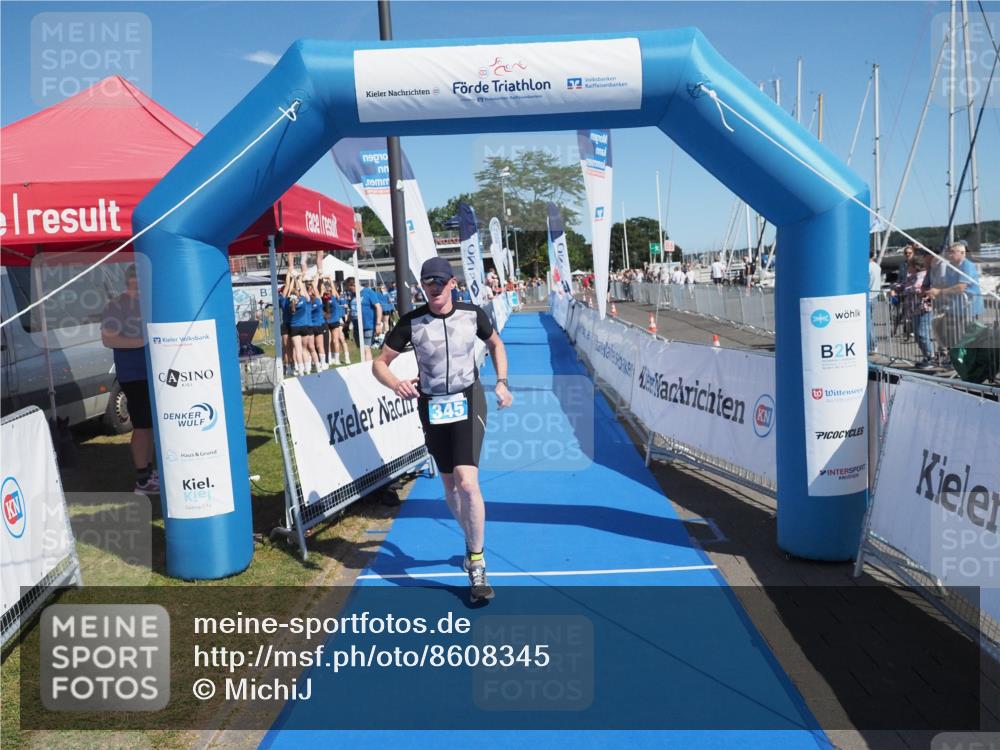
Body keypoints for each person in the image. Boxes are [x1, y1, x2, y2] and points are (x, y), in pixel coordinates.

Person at [372, 257, 513, 603]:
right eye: (426, 282)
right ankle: (470, 539)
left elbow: (496, 343)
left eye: (439, 281)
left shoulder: (471, 314)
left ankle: (477, 564)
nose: (433, 287)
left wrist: (502, 382)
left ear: (452, 283)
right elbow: (379, 363)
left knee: (467, 481)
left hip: (468, 399)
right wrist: (396, 384)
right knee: (449, 486)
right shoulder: (412, 322)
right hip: (433, 405)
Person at [101, 264, 158, 495]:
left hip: (156, 374)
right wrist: (145, 342)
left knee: (153, 426)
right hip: (135, 376)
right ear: (130, 282)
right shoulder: (116, 306)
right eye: (136, 281)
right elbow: (109, 339)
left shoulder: (151, 302)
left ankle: (152, 473)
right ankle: (143, 481)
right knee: (143, 427)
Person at [924, 240, 981, 353]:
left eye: (952, 252)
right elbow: (948, 286)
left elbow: (961, 287)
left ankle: (963, 361)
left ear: (962, 253)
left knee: (963, 337)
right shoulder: (951, 266)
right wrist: (933, 292)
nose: (949, 255)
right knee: (941, 327)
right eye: (949, 252)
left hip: (968, 307)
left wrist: (939, 292)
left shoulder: (967, 265)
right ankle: (951, 356)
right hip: (955, 306)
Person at [345, 277, 382, 354]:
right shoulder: (352, 295)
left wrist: (378, 324)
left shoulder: (368, 292)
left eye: (350, 288)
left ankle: (367, 365)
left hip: (368, 325)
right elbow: (351, 309)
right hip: (357, 326)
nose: (349, 290)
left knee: (366, 348)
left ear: (354, 285)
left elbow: (378, 307)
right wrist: (347, 322)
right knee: (361, 349)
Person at [868, 250, 882, 354]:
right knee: (870, 321)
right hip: (875, 296)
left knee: (868, 323)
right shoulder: (877, 266)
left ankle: (873, 345)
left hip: (868, 297)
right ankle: (872, 345)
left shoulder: (867, 267)